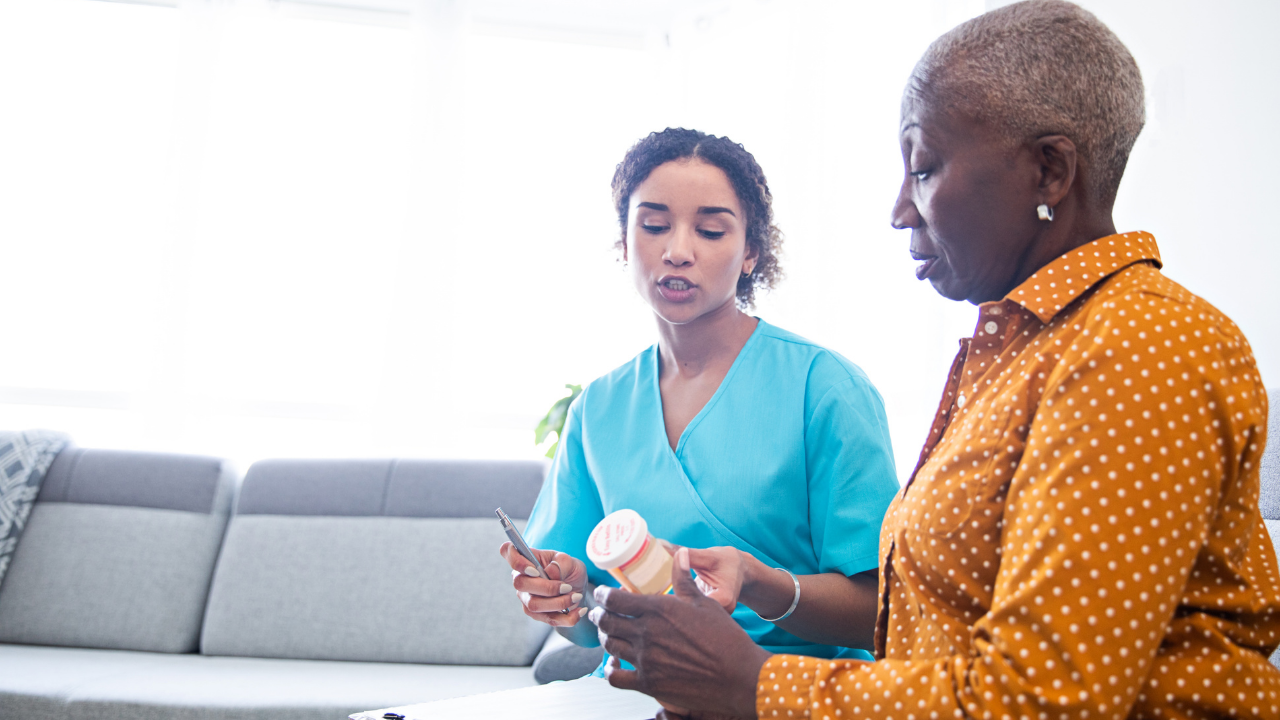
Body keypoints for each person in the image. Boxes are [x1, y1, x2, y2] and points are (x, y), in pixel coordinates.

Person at [590, 2, 1280, 718]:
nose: (899, 209)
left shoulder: (1137, 348)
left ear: (1050, 172)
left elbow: (1041, 698)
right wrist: (766, 584)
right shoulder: (1023, 350)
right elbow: (930, 618)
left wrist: (752, 684)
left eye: (922, 168)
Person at [500, 128, 902, 674]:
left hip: (783, 689)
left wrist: (760, 585)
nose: (678, 251)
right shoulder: (598, 408)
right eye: (654, 226)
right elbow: (586, 606)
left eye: (711, 230)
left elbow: (880, 612)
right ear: (624, 243)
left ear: (751, 252)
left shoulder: (825, 388)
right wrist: (560, 596)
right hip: (633, 689)